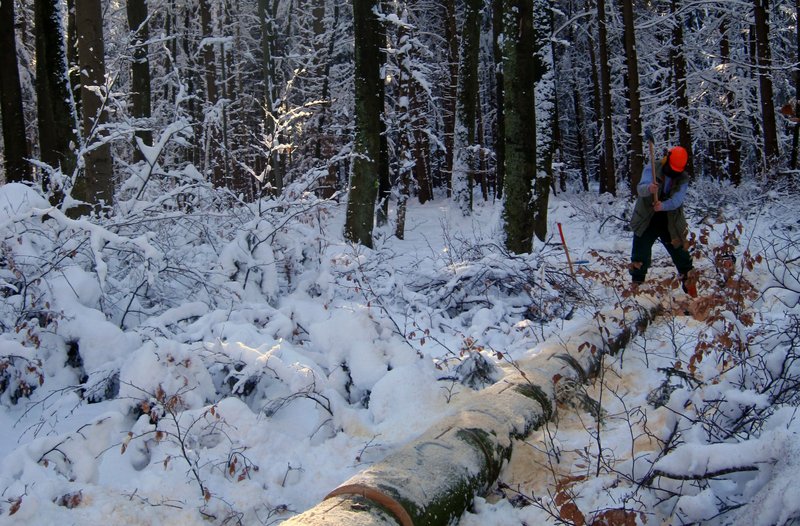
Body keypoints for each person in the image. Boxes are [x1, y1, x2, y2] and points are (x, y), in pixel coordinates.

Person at [629, 145, 697, 297]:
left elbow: (678, 200)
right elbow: (640, 189)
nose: (674, 173)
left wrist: (664, 205)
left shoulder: (683, 178)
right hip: (647, 218)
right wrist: (650, 189)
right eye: (672, 169)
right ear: (667, 160)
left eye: (677, 171)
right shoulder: (652, 168)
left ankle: (690, 288)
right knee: (640, 253)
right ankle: (636, 287)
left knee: (680, 253)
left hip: (670, 220)